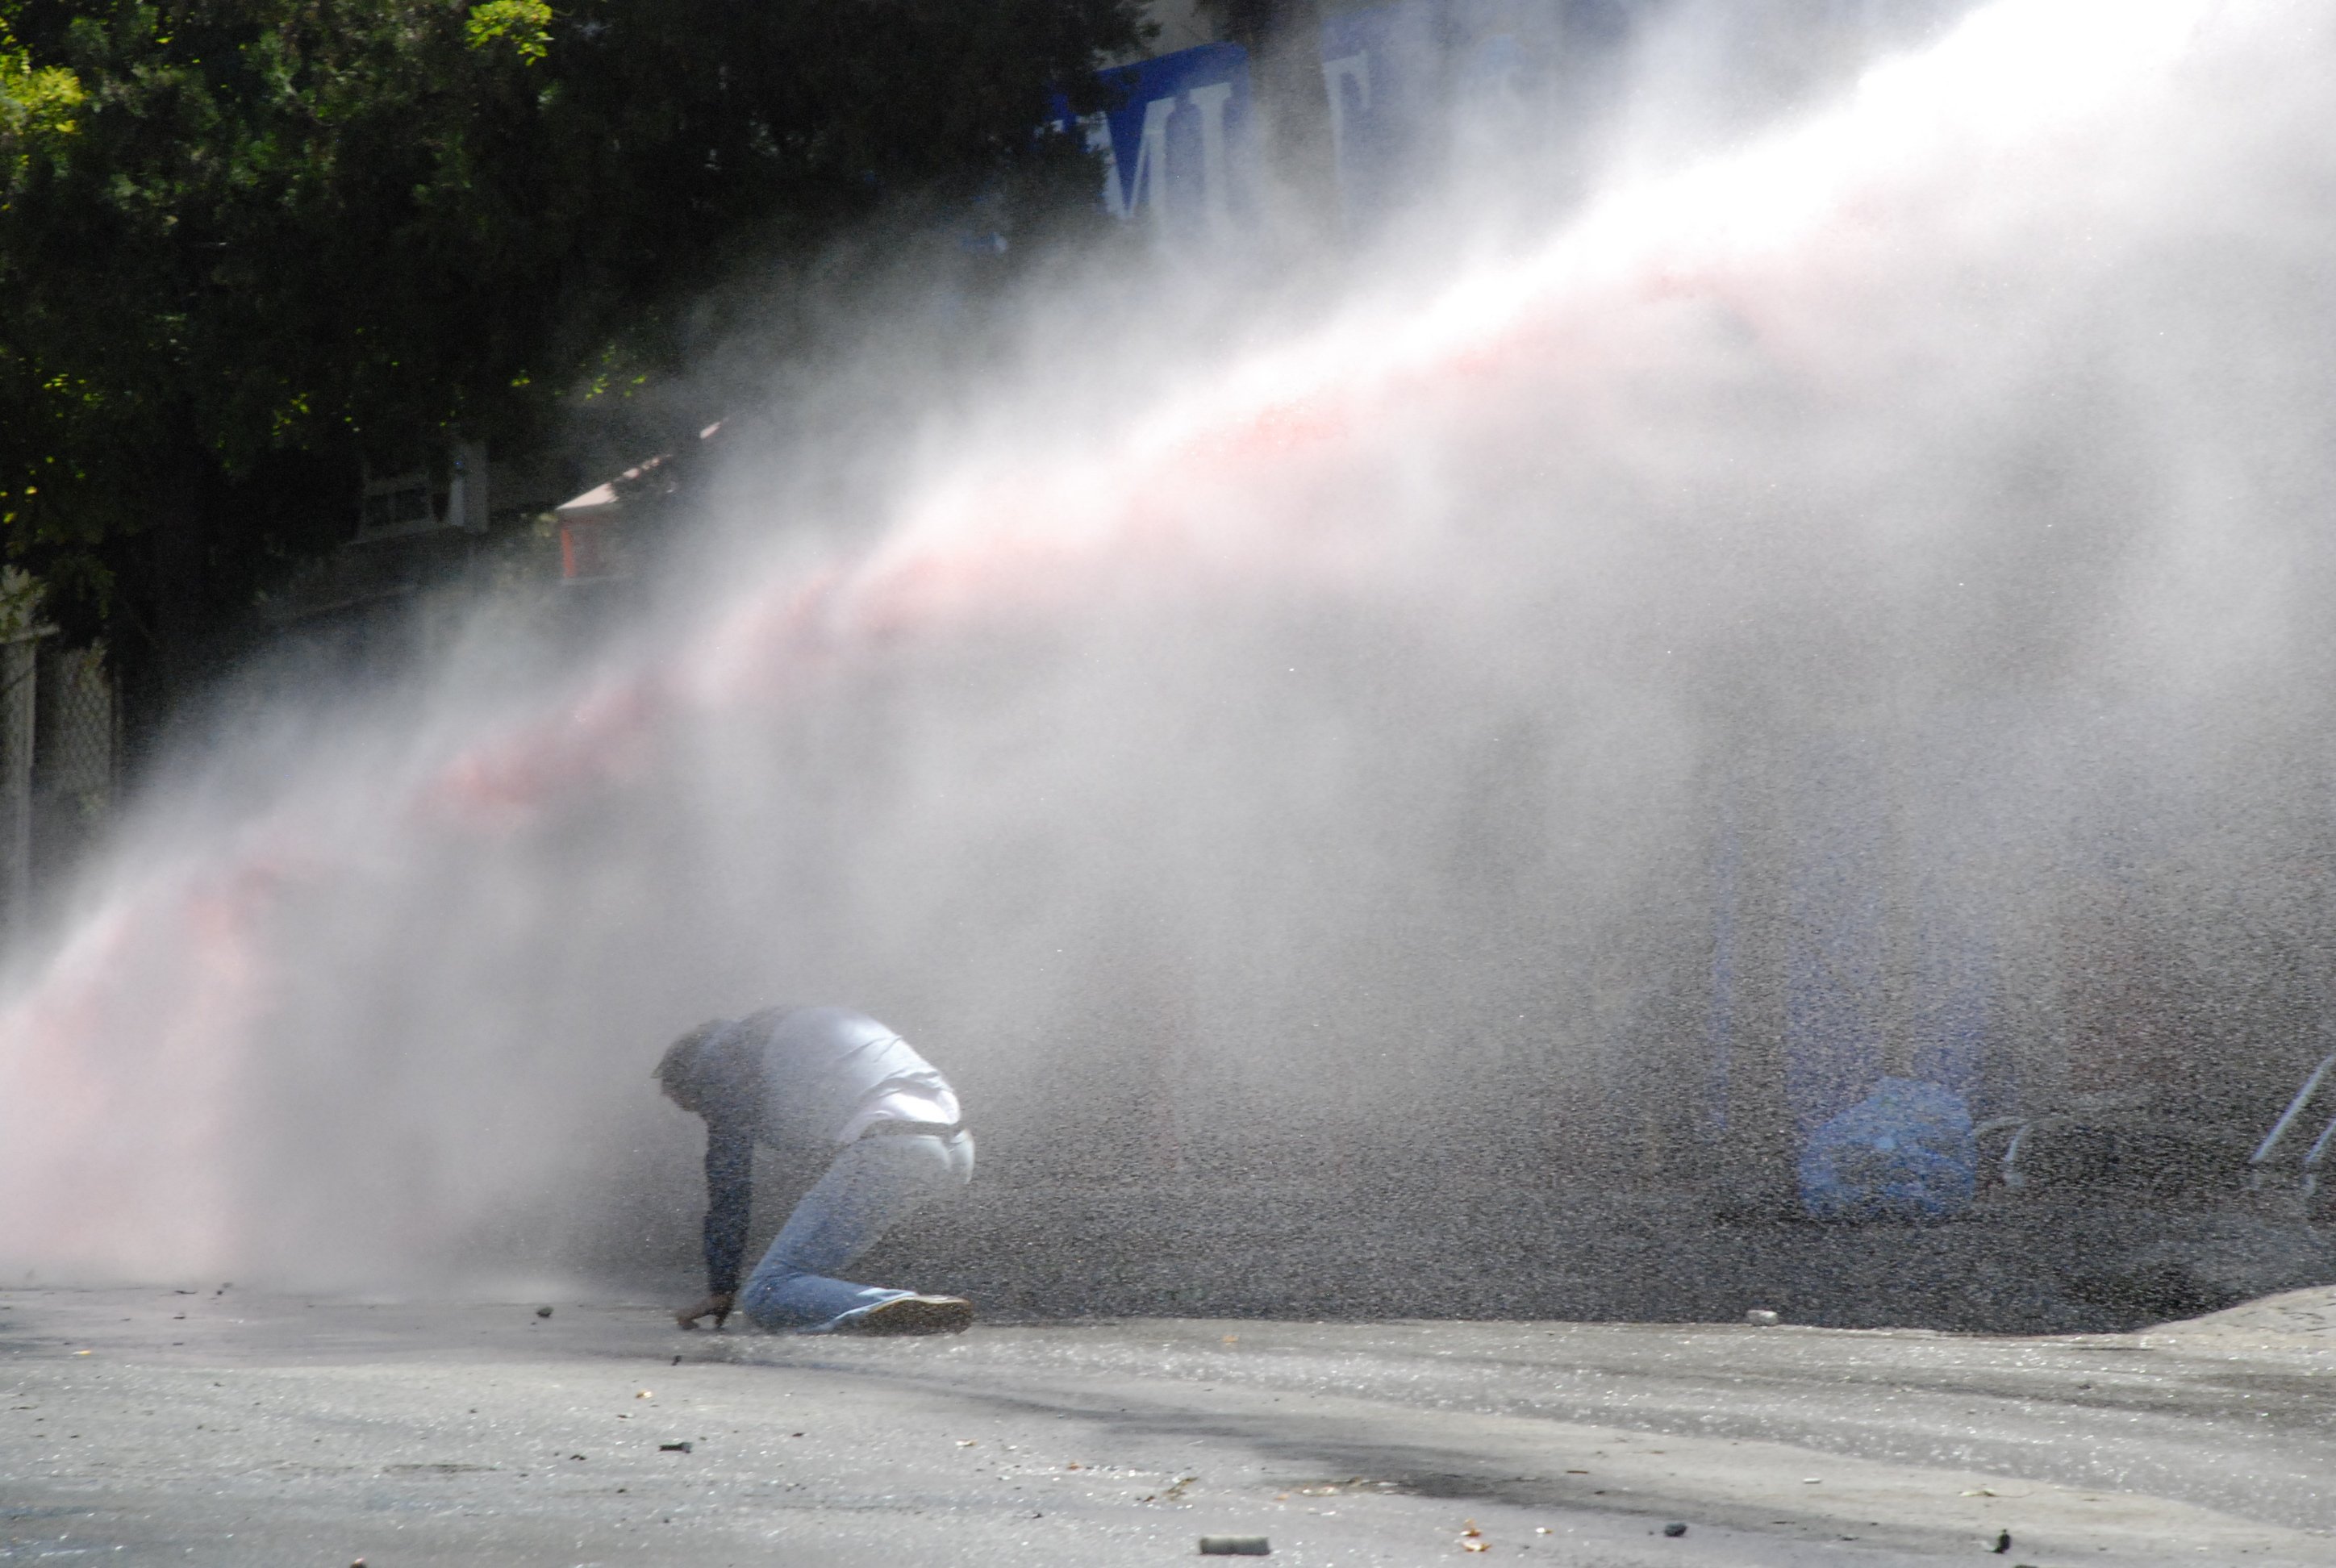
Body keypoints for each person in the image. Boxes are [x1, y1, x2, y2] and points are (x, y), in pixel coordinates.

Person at [656, 1004, 975, 1335]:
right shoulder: (782, 1032)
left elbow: (729, 1184)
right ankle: (893, 1310)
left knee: (768, 1291)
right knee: (804, 1273)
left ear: (692, 1076)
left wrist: (722, 1287)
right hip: (956, 1146)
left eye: (698, 1107)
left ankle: (888, 1305)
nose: (707, 1115)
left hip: (892, 1143)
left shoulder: (718, 1062)